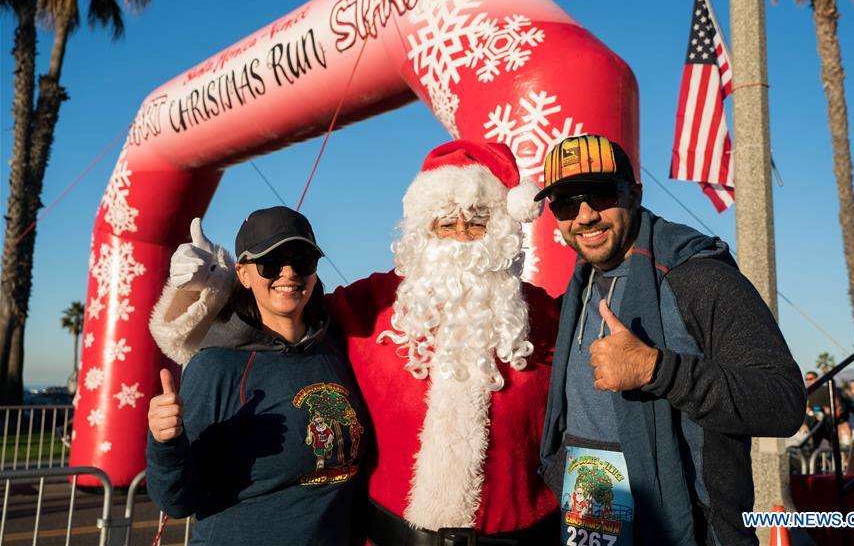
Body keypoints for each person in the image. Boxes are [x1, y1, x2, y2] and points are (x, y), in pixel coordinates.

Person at [149, 140, 561, 544]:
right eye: (445, 224)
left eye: (475, 223)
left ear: (500, 230)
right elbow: (276, 312)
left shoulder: (548, 316)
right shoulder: (373, 303)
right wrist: (207, 287)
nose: (458, 238)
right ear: (424, 231)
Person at [536, 135, 807, 545]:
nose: (585, 215)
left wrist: (656, 369)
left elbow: (783, 401)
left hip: (689, 530)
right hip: (591, 522)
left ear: (635, 194)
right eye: (566, 203)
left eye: (602, 193)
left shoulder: (697, 276)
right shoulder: (578, 289)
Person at [146, 207, 370, 546]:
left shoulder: (334, 348)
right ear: (243, 274)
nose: (288, 272)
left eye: (303, 259)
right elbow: (178, 501)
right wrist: (165, 442)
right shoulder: (217, 366)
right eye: (271, 262)